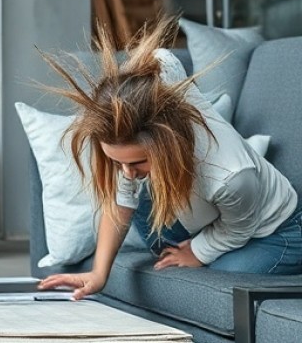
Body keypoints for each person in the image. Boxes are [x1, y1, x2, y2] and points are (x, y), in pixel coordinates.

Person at [37, 19, 302, 301]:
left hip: (274, 232)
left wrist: (197, 252)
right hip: (206, 210)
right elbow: (160, 57)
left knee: (220, 278)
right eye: (117, 162)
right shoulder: (165, 88)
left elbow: (239, 228)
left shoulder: (231, 174)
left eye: (138, 162)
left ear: (165, 141)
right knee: (145, 204)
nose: (127, 173)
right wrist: (98, 274)